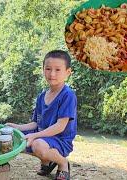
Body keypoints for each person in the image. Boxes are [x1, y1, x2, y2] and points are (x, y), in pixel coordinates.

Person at [6, 50, 77, 180]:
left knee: (36, 144)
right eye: (48, 69)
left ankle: (62, 163)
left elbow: (60, 127)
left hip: (60, 140)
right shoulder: (42, 96)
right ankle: (47, 162)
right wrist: (17, 127)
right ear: (43, 69)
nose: (52, 74)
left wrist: (35, 135)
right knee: (12, 137)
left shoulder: (68, 95)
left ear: (67, 72)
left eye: (58, 70)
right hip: (43, 136)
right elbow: (35, 123)